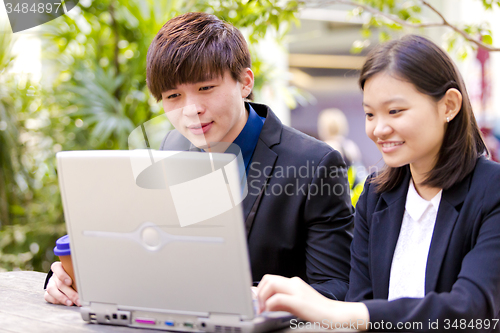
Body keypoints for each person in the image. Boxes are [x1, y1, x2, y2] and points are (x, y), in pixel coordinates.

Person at [44, 12, 353, 306]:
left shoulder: (315, 164)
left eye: (206, 88)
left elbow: (337, 288)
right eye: (173, 96)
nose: (190, 110)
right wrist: (67, 276)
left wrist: (258, 298)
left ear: (245, 83)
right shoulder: (169, 148)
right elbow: (136, 246)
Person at [257, 34, 500, 332]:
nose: (379, 129)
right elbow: (361, 298)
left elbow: (470, 311)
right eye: (370, 114)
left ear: (449, 105)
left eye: (395, 111)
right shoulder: (377, 194)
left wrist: (337, 311)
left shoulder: (491, 191)